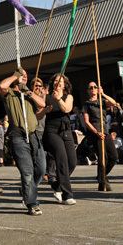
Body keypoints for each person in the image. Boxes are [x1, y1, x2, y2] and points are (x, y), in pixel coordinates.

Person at [0, 68, 46, 215]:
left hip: (33, 135)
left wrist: (29, 92)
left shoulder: (29, 95)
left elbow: (42, 104)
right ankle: (32, 203)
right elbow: (2, 86)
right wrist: (15, 76)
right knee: (27, 172)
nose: (24, 77)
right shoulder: (10, 94)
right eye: (22, 75)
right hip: (18, 136)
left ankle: (26, 189)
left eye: (26, 75)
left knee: (41, 169)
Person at [43, 73, 77, 205]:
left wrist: (58, 99)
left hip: (66, 131)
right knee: (61, 159)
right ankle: (67, 195)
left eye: (61, 81)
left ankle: (57, 184)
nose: (58, 82)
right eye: (56, 81)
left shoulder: (68, 96)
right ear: (53, 84)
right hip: (52, 131)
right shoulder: (46, 97)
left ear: (65, 84)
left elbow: (67, 109)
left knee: (72, 162)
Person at [82, 81, 120, 191]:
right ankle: (102, 181)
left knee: (114, 157)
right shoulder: (87, 104)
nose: (93, 89)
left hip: (105, 131)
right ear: (88, 91)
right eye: (91, 88)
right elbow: (86, 121)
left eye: (95, 87)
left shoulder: (102, 101)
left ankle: (101, 176)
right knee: (103, 158)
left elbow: (114, 103)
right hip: (95, 133)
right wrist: (96, 132)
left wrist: (102, 93)